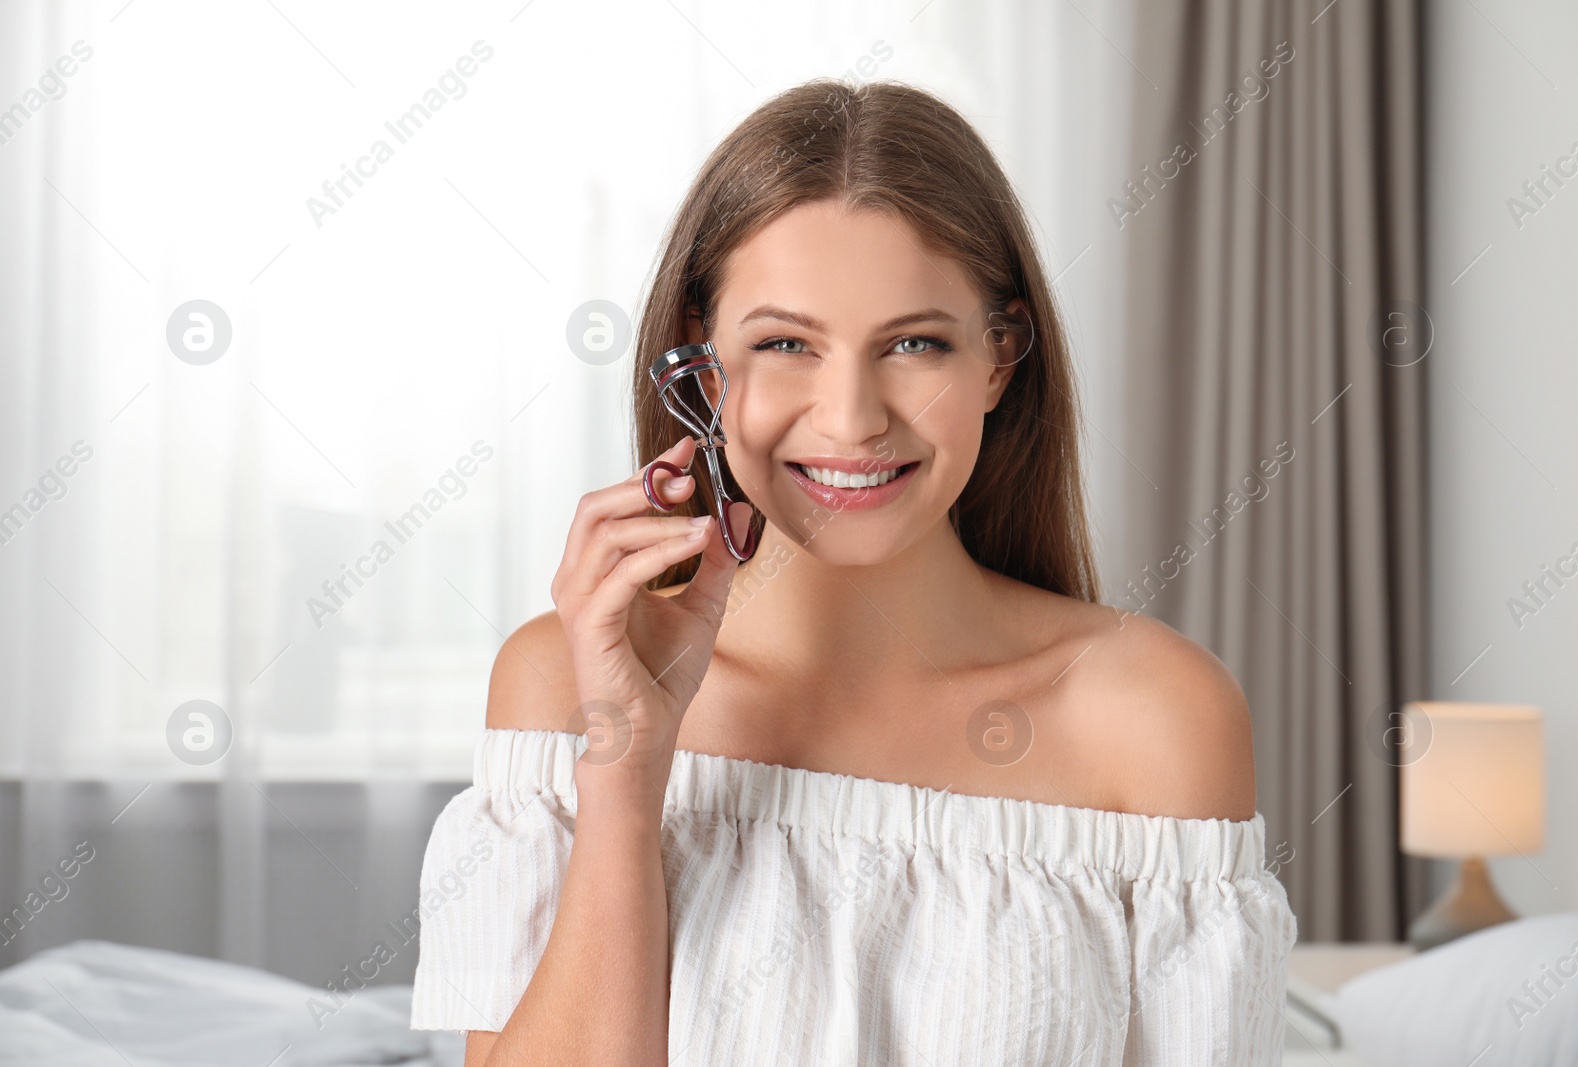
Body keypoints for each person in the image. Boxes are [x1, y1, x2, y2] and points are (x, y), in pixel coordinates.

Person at [411, 77, 1297, 1065]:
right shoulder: (561, 678)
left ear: (999, 359)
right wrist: (628, 763)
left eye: (914, 343)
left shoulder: (1157, 714)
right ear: (704, 370)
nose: (850, 417)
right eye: (785, 343)